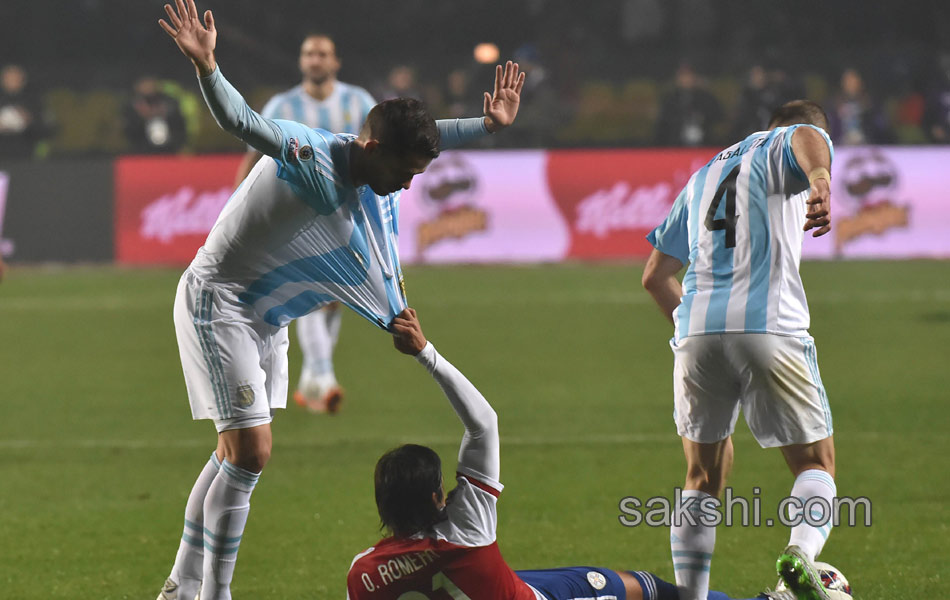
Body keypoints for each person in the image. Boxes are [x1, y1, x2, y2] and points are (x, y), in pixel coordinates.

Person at [156, 2, 525, 599]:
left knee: (234, 455)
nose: (408, 185)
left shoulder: (377, 157)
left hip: (263, 316)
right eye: (405, 171)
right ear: (374, 148)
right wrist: (207, 68)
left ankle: (180, 587)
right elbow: (246, 124)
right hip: (218, 300)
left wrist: (487, 126)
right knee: (250, 451)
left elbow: (423, 135)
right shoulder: (312, 157)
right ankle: (211, 594)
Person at [347, 308, 797, 600]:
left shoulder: (361, 575)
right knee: (648, 592)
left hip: (497, 584)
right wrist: (426, 353)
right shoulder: (466, 527)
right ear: (435, 499)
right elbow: (483, 424)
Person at [642, 100, 838, 600]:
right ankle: (800, 555)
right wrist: (820, 177)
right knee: (816, 464)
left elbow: (655, 277)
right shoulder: (785, 143)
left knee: (702, 475)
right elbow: (805, 139)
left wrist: (694, 333)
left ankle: (691, 596)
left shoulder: (705, 173)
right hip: (767, 326)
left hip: (697, 329)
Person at [233, 33, 376, 414]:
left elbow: (381, 154)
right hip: (293, 218)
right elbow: (253, 158)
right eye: (309, 54)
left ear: (335, 61)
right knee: (315, 295)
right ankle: (324, 376)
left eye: (322, 54)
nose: (315, 60)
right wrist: (239, 206)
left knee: (335, 300)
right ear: (301, 62)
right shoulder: (282, 105)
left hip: (347, 217)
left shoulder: (360, 102)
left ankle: (311, 379)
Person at [654, 63, 723, 147]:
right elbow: (663, 124)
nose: (686, 79)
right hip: (675, 145)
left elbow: (718, 117)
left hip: (705, 143)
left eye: (688, 75)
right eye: (682, 75)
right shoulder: (670, 99)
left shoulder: (706, 97)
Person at [123, 76, 189, 154]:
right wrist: (143, 117)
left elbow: (180, 126)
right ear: (137, 87)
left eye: (150, 83)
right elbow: (128, 130)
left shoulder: (169, 102)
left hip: (170, 149)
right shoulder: (132, 106)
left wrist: (163, 114)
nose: (148, 87)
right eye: (145, 84)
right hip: (142, 150)